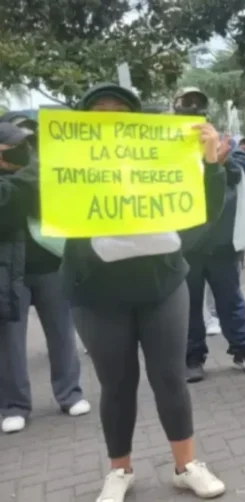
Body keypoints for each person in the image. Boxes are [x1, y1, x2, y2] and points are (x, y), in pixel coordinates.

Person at [66, 83, 226, 501]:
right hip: (98, 294)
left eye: (118, 111)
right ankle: (120, 471)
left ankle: (186, 465)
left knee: (171, 378)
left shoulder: (163, 159)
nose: (109, 117)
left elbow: (203, 212)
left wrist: (209, 163)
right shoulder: (68, 165)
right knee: (116, 384)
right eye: (99, 112)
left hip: (163, 286)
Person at [0, 123, 90, 434]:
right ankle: (14, 406)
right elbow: (6, 204)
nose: (24, 150)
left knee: (62, 332)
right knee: (9, 341)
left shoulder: (42, 172)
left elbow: (45, 196)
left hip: (51, 266)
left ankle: (70, 394)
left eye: (27, 144)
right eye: (14, 145)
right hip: (9, 273)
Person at [176, 87, 245, 383]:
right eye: (185, 103)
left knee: (231, 300)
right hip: (186, 243)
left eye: (197, 103)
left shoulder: (221, 138)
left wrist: (221, 157)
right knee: (188, 304)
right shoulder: (167, 147)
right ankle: (193, 356)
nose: (192, 107)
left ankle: (244, 349)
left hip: (223, 242)